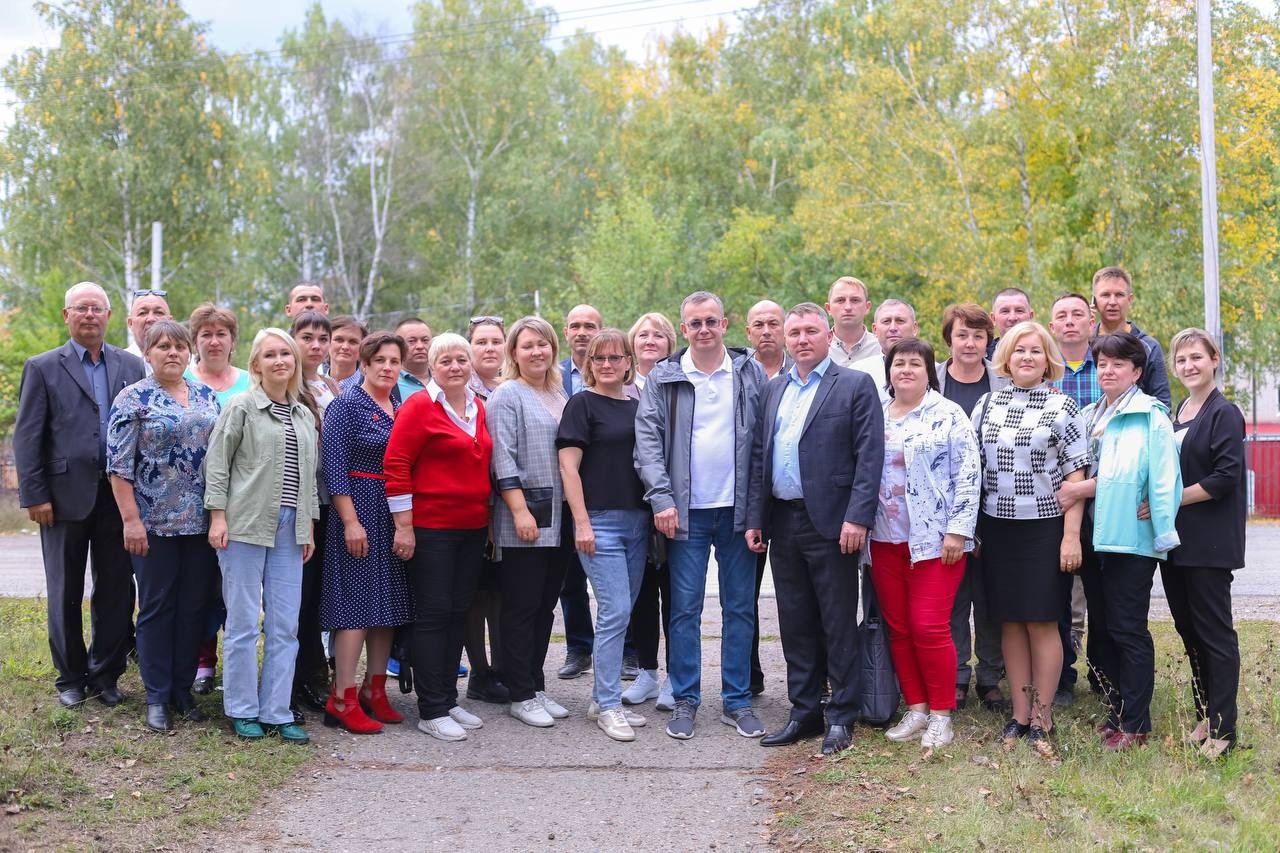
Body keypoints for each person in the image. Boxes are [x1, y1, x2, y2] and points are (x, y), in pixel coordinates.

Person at [746, 303, 883, 754]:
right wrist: (755, 519)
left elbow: (869, 458)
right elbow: (759, 458)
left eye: (810, 331)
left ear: (827, 335)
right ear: (785, 339)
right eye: (794, 332)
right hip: (783, 522)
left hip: (834, 522)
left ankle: (841, 713)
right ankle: (803, 710)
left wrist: (858, 517)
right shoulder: (774, 390)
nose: (802, 339)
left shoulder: (855, 385)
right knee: (795, 621)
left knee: (838, 620)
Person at [634, 291, 766, 740]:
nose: (704, 329)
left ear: (725, 324)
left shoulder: (748, 374)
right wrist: (662, 499)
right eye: (695, 323)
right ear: (684, 327)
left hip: (737, 512)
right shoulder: (665, 376)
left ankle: (737, 701)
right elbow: (647, 444)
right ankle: (686, 698)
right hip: (684, 513)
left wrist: (757, 510)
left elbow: (764, 442)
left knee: (740, 609)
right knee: (685, 610)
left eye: (712, 321)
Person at [15, 282, 144, 708]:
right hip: (62, 497)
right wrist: (35, 494)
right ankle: (69, 676)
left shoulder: (130, 366)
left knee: (115, 588)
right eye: (81, 308)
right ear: (66, 315)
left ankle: (105, 673)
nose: (90, 315)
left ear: (109, 316)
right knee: (64, 587)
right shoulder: (43, 367)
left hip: (118, 497)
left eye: (97, 308)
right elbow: (28, 436)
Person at [1056, 333, 1182, 751]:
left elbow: (1162, 479)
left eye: (1118, 364)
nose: (1108, 370)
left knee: (1128, 628)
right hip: (1094, 534)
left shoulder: (1150, 417)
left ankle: (1136, 723)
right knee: (1103, 629)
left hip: (1130, 536)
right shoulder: (1091, 413)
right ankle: (1114, 711)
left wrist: (1162, 527)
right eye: (1102, 364)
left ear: (1137, 372)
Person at [972, 321, 1089, 759]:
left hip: (1045, 528)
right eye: (1019, 350)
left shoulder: (1064, 407)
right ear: (1006, 355)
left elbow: (1077, 477)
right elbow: (973, 471)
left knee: (1041, 621)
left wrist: (1071, 537)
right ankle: (1019, 715)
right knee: (1010, 622)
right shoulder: (987, 404)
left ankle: (1042, 718)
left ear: (1048, 359)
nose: (1026, 357)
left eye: (1035, 351)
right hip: (998, 528)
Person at [204, 328, 319, 744]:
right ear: (256, 365)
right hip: (245, 525)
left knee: (286, 625)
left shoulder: (304, 414)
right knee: (242, 623)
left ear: (295, 361)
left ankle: (277, 709)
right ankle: (241, 708)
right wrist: (218, 517)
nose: (279, 361)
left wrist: (306, 527)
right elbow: (217, 465)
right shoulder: (241, 407)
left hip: (291, 529)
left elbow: (308, 480)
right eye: (269, 355)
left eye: (285, 354)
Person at [107, 320, 220, 732]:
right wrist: (130, 521)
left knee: (193, 607)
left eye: (179, 346)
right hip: (152, 524)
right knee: (157, 608)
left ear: (189, 352)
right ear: (148, 353)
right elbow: (118, 468)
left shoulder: (207, 396)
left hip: (201, 523)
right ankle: (156, 696)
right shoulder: (132, 399)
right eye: (163, 347)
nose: (172, 353)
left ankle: (181, 689)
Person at [869, 338, 980, 749]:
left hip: (936, 540)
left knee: (928, 626)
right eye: (899, 363)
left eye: (915, 364)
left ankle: (941, 714)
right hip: (884, 537)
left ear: (928, 371)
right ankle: (915, 707)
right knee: (898, 628)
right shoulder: (876, 413)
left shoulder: (949, 415)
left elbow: (969, 475)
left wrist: (958, 529)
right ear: (889, 370)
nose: (906, 370)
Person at [385, 332, 493, 742]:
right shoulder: (418, 407)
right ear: (432, 366)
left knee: (458, 613)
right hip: (430, 528)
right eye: (445, 360)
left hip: (471, 529)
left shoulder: (478, 408)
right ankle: (430, 708)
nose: (454, 367)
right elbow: (396, 465)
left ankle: (448, 698)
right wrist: (404, 526)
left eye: (461, 360)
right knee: (433, 615)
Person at [558, 329, 652, 741]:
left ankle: (602, 695)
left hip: (638, 522)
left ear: (630, 362)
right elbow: (568, 468)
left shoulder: (639, 405)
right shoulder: (582, 404)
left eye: (616, 358)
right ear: (589, 365)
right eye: (600, 359)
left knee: (622, 612)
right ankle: (609, 705)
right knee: (614, 611)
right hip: (600, 522)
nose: (608, 365)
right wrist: (581, 521)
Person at [319, 332, 410, 735]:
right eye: (380, 361)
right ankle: (342, 696)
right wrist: (351, 521)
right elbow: (334, 469)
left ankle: (377, 690)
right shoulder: (347, 405)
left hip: (393, 510)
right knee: (355, 606)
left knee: (386, 604)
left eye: (394, 361)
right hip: (358, 508)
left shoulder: (400, 404)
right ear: (365, 363)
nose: (388, 367)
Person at [1161, 329, 1244, 759]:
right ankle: (1205, 715)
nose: (1189, 365)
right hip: (1177, 542)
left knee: (1214, 635)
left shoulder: (1224, 413)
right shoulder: (1182, 410)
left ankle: (1225, 729)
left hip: (1209, 543)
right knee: (1188, 630)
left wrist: (1168, 499)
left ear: (1214, 359)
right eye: (1181, 360)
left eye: (1197, 357)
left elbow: (1224, 478)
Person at [487, 317, 573, 728]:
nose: (536, 352)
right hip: (525, 515)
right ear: (514, 353)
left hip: (560, 516)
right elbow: (501, 456)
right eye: (527, 346)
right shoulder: (507, 395)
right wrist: (519, 510)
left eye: (543, 344)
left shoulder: (558, 392)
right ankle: (519, 692)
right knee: (521, 607)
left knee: (544, 607)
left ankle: (535, 685)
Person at [936, 303, 1008, 712]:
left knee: (991, 595)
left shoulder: (1002, 383)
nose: (970, 343)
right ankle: (957, 674)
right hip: (944, 510)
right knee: (953, 596)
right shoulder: (934, 383)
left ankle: (990, 677)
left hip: (995, 506)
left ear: (988, 340)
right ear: (949, 338)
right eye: (962, 335)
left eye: (978, 336)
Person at [185, 303, 250, 694]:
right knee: (201, 584)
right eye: (205, 333)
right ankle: (202, 663)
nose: (213, 340)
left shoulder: (249, 382)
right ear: (195, 341)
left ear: (232, 340)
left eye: (221, 333)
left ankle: (240, 665)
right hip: (193, 502)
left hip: (243, 502)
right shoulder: (184, 380)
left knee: (236, 587)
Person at [286, 311, 342, 718]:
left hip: (330, 503)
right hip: (298, 505)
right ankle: (289, 684)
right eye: (307, 337)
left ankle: (314, 674)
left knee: (319, 597)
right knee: (296, 599)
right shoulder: (286, 386)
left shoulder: (330, 385)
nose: (316, 345)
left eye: (323, 338)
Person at [622, 312, 678, 709]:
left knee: (675, 593)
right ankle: (646, 672)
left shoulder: (678, 381)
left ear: (671, 343)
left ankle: (678, 676)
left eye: (659, 334)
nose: (651, 340)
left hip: (673, 501)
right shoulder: (619, 387)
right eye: (643, 334)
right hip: (628, 504)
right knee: (640, 594)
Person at [1048, 291, 1099, 705]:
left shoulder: (1109, 366)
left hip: (1103, 495)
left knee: (1102, 589)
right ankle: (1062, 674)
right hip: (1059, 499)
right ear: (1052, 326)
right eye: (1061, 315)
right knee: (1060, 590)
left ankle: (1102, 672)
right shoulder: (1046, 371)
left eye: (1077, 315)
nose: (1069, 322)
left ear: (1091, 321)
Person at [743, 299, 790, 696]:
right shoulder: (739, 372)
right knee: (746, 594)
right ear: (747, 332)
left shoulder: (803, 371)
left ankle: (811, 678)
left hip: (794, 501)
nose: (766, 330)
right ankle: (750, 674)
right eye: (758, 324)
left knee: (798, 595)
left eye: (774, 323)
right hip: (753, 499)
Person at [462, 316, 510, 704]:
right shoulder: (463, 391)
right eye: (481, 342)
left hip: (510, 507)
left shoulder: (509, 387)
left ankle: (501, 669)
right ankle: (479, 672)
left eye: (496, 341)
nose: (489, 348)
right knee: (477, 594)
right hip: (477, 505)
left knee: (501, 594)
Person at [557, 304, 604, 681]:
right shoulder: (553, 376)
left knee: (616, 582)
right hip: (564, 491)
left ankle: (628, 652)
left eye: (590, 325)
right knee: (570, 580)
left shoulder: (617, 372)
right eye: (575, 325)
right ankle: (578, 648)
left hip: (609, 491)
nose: (582, 332)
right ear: (566, 331)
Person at [1091, 266, 1170, 407]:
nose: (1112, 302)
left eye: (1119, 295)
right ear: (1094, 301)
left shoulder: (1148, 346)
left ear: (1130, 299)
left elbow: (1162, 404)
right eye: (1105, 295)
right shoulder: (1085, 344)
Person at [850, 299, 919, 403]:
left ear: (914, 328)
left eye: (900, 321)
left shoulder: (935, 371)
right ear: (875, 330)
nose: (893, 328)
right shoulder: (857, 372)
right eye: (886, 321)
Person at [826, 276, 881, 367]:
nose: (848, 307)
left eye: (855, 300)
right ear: (828, 308)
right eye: (840, 300)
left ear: (867, 307)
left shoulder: (881, 348)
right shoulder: (818, 349)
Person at [123, 290, 172, 365]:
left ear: (170, 322)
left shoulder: (186, 365)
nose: (151, 319)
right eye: (142, 313)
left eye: (159, 312)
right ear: (130, 323)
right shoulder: (118, 364)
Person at [985, 287, 1035, 359]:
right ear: (993, 319)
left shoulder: (1046, 354)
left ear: (1031, 316)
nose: (1012, 318)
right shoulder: (981, 356)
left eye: (1019, 311)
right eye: (1005, 311)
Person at [746, 300, 790, 380]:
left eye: (773, 324)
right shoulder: (736, 372)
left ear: (785, 329)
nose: (766, 332)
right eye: (758, 325)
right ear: (749, 333)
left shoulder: (801, 371)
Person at [395, 317, 433, 400]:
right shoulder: (389, 382)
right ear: (398, 345)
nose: (420, 346)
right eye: (412, 341)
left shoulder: (443, 377)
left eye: (425, 340)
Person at [328, 315, 368, 386]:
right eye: (339, 340)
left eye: (353, 341)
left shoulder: (371, 390)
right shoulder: (309, 387)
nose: (345, 347)